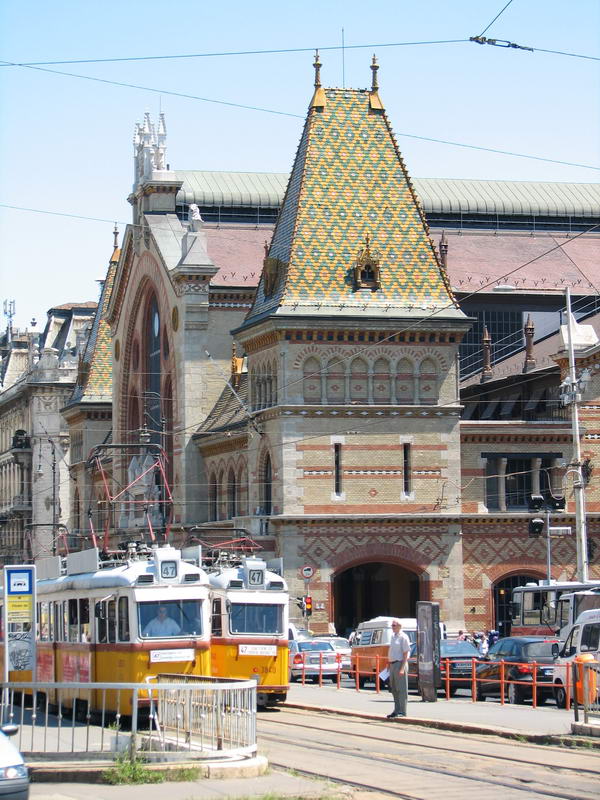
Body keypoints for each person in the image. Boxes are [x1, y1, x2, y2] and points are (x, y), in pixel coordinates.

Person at [387, 619, 411, 719]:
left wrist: (402, 668)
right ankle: (396, 710)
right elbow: (391, 651)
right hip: (393, 664)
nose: (392, 627)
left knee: (401, 689)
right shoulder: (393, 636)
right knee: (394, 689)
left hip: (400, 663)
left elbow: (405, 653)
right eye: (392, 625)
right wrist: (388, 663)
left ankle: (402, 711)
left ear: (399, 626)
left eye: (394, 625)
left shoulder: (403, 637)